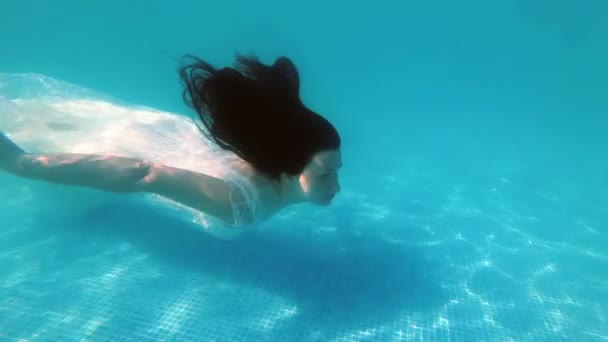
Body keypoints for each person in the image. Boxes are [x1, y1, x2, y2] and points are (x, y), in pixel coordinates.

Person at [0, 54, 342, 239]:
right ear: (290, 164)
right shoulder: (242, 203)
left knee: (30, 115)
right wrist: (24, 163)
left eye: (336, 173)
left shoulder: (268, 158)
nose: (337, 187)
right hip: (126, 144)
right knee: (27, 127)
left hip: (157, 131)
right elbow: (145, 173)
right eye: (326, 174)